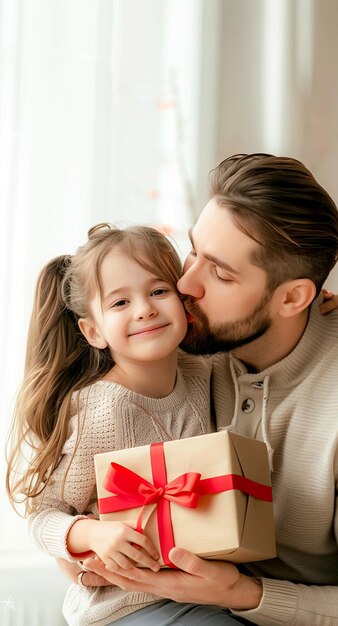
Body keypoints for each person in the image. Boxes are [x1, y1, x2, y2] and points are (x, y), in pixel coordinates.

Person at [68, 153, 338, 626]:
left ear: (293, 297)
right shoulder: (186, 341)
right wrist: (83, 548)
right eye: (193, 249)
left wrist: (242, 593)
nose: (184, 283)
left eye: (220, 273)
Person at [6, 224, 217, 625]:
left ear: (183, 299)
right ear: (93, 331)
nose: (145, 309)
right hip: (128, 607)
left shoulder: (206, 374)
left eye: (158, 291)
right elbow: (43, 515)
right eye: (120, 303)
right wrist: (94, 535)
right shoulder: (103, 410)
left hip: (207, 592)